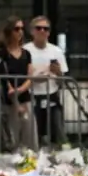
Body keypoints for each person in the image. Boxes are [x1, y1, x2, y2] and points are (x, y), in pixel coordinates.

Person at [23, 17, 67, 145]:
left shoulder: (57, 51)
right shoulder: (25, 51)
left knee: (59, 135)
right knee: (32, 137)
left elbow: (62, 81)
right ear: (32, 31)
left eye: (45, 28)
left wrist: (58, 72)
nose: (42, 31)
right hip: (30, 97)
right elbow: (21, 76)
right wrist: (35, 79)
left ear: (49, 32)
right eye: (38, 28)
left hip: (52, 97)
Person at [0, 19, 36, 151]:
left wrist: (22, 89)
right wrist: (13, 93)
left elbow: (31, 75)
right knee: (13, 137)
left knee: (30, 135)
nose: (20, 32)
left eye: (22, 29)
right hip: (9, 99)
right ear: (9, 31)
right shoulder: (1, 53)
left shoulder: (26, 53)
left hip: (25, 97)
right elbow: (2, 76)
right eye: (16, 29)